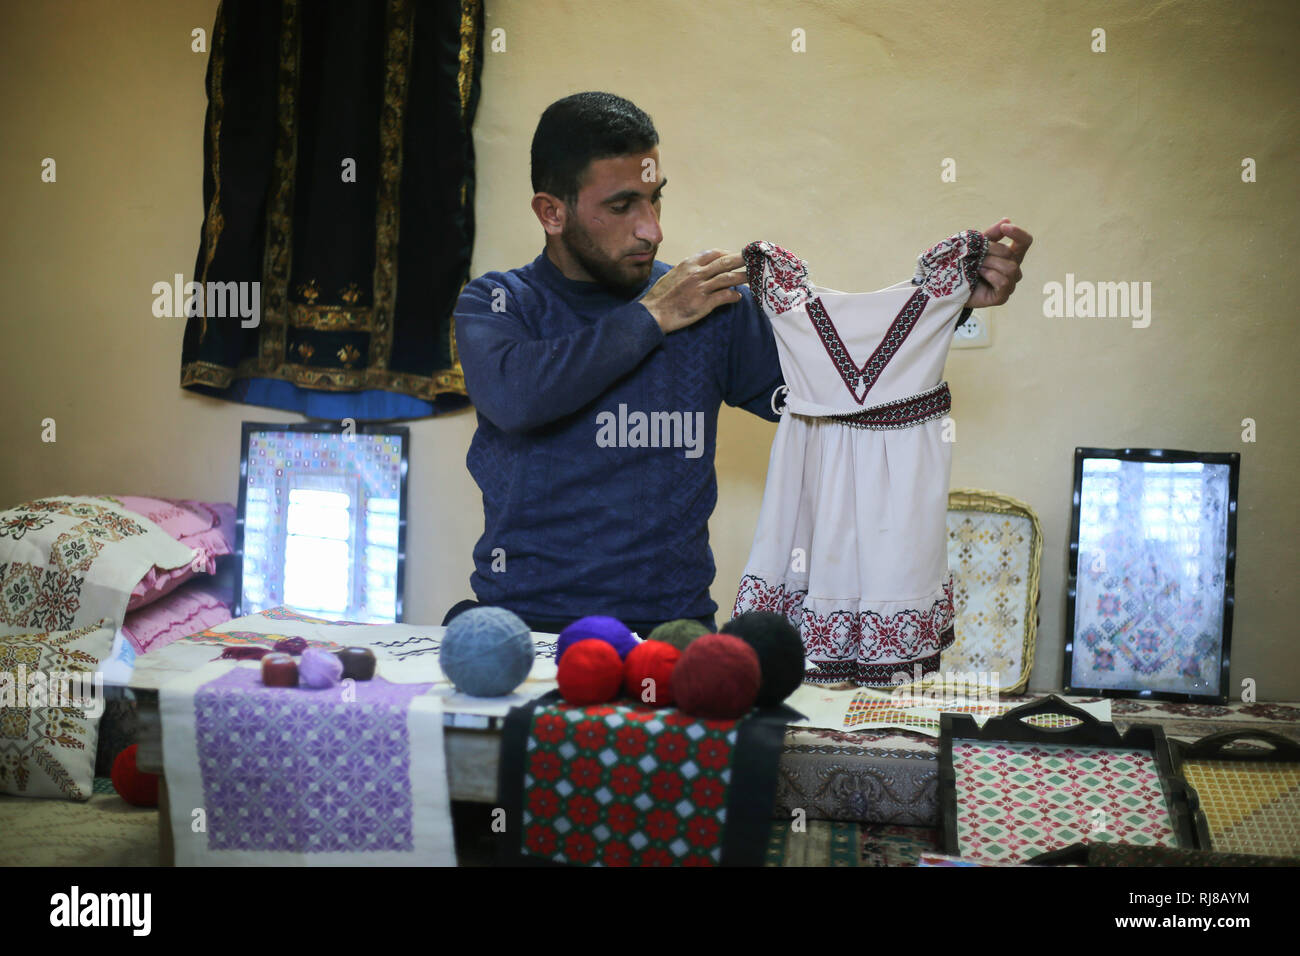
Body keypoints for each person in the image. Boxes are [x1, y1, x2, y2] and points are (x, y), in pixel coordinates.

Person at [449, 91, 1031, 636]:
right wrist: (651, 317)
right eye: (622, 206)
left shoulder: (709, 305)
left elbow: (842, 387)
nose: (652, 228)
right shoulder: (499, 303)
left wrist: (943, 305)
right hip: (520, 634)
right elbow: (516, 398)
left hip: (672, 637)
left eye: (655, 198)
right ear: (552, 212)